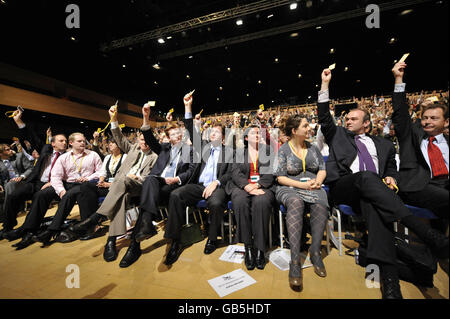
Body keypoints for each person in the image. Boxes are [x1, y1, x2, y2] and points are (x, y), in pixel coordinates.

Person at [317, 68, 448, 299]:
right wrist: (324, 84)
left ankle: (390, 282)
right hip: (346, 188)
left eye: (353, 118)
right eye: (346, 118)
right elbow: (324, 115)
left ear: (366, 124)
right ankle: (421, 230)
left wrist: (392, 178)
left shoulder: (385, 146)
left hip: (373, 193)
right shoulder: (337, 134)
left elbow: (391, 169)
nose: (347, 120)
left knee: (376, 205)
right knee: (368, 179)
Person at [69, 104, 158, 263]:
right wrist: (113, 118)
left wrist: (136, 178)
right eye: (141, 139)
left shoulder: (155, 155)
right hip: (122, 186)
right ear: (138, 138)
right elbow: (118, 136)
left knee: (123, 181)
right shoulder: (132, 148)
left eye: (146, 139)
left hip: (139, 186)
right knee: (122, 196)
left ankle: (96, 217)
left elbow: (152, 178)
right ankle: (111, 240)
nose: (143, 142)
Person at [112, 100, 195, 268]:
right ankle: (142, 230)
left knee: (150, 194)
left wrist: (177, 179)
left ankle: (151, 237)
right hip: (158, 184)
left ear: (182, 135)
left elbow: (190, 171)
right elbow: (148, 136)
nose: (175, 136)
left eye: (177, 133)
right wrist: (146, 117)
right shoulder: (163, 148)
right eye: (171, 134)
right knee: (150, 179)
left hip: (176, 186)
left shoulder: (190, 150)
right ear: (169, 138)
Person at [162, 91, 233, 266]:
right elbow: (190, 128)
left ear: (223, 138)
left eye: (217, 132)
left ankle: (212, 238)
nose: (213, 134)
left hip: (217, 186)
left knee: (216, 203)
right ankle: (175, 241)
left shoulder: (229, 152)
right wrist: (188, 106)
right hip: (199, 186)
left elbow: (230, 173)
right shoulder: (202, 147)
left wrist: (216, 183)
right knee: (176, 195)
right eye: (211, 131)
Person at [274, 114, 329, 290]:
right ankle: (295, 260)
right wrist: (300, 185)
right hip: (290, 187)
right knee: (296, 202)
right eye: (305, 126)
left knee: (320, 203)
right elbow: (281, 178)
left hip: (313, 186)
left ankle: (315, 252)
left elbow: (322, 169)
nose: (309, 128)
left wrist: (318, 182)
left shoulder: (313, 148)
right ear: (294, 130)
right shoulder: (283, 150)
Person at [391, 61, 448, 229]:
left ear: (446, 122)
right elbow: (400, 113)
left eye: (433, 118)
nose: (427, 121)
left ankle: (439, 248)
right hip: (419, 185)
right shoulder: (411, 136)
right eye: (425, 118)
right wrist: (398, 79)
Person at [31, 132, 103, 244]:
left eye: (84, 141)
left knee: (70, 194)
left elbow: (101, 172)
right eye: (79, 141)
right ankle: (31, 228)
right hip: (68, 184)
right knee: (43, 193)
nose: (83, 143)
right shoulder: (64, 157)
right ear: (71, 143)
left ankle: (51, 231)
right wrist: (61, 191)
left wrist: (89, 177)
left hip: (87, 184)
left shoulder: (93, 155)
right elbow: (55, 176)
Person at [57, 136, 127, 242]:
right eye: (110, 143)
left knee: (87, 190)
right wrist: (102, 180)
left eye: (113, 143)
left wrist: (109, 184)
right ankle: (91, 226)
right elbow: (102, 172)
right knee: (85, 186)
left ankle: (89, 226)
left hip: (118, 186)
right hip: (106, 184)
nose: (110, 144)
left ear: (120, 145)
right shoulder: (108, 157)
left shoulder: (125, 157)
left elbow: (125, 176)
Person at [225, 125, 275, 270]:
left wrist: (257, 186)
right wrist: (247, 186)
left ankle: (260, 249)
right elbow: (235, 172)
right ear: (246, 138)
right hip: (242, 186)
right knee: (240, 201)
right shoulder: (239, 152)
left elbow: (270, 172)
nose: (257, 134)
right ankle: (248, 247)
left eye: (259, 132)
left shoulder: (268, 151)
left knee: (261, 201)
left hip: (263, 186)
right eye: (253, 133)